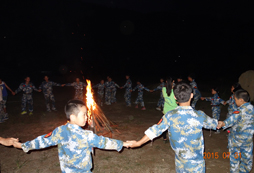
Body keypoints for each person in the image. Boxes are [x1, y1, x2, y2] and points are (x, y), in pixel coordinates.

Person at [13, 99, 130, 172]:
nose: (87, 117)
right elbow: (105, 142)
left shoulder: (59, 131)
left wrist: (23, 145)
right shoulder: (86, 135)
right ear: (73, 117)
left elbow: (41, 141)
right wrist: (123, 143)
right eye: (84, 115)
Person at [127, 82, 218, 172]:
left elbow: (155, 130)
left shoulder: (169, 115)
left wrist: (139, 143)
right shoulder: (200, 115)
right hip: (196, 164)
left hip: (180, 162)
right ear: (191, 95)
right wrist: (224, 123)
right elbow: (215, 124)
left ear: (175, 97)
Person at [217, 89, 254, 173]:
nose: (235, 101)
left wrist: (221, 124)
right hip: (248, 140)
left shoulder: (239, 111)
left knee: (235, 159)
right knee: (247, 158)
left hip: (236, 141)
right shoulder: (252, 108)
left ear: (241, 100)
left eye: (235, 99)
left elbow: (229, 121)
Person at [161, 77, 178, 143]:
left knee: (165, 124)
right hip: (174, 111)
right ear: (173, 81)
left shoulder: (163, 89)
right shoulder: (175, 91)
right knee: (174, 126)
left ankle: (164, 138)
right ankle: (173, 139)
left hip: (166, 110)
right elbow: (177, 101)